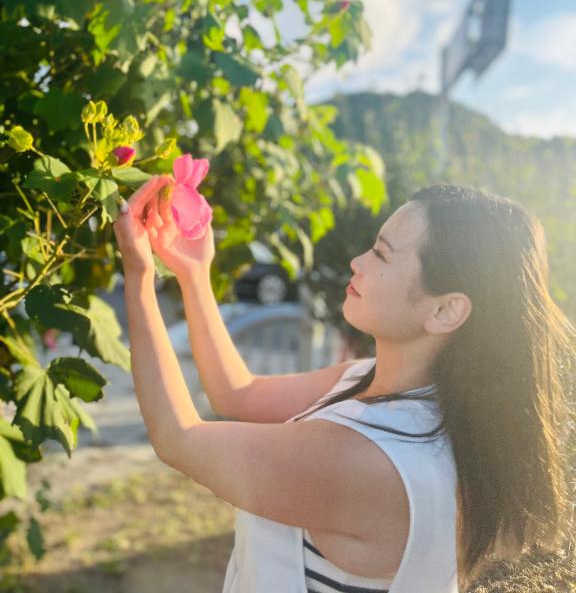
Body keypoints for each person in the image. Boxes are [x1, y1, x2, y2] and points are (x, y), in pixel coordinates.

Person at [113, 179, 575, 592]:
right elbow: (239, 393)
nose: (357, 262)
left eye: (381, 254)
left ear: (445, 311)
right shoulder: (376, 385)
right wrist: (194, 274)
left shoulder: (369, 459)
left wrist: (139, 277)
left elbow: (179, 438)